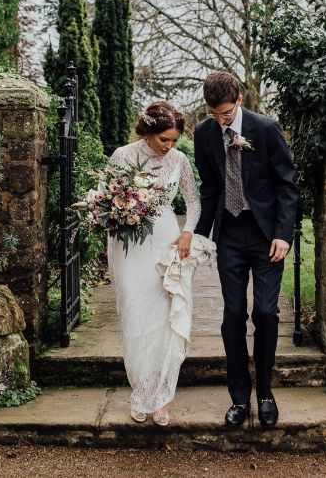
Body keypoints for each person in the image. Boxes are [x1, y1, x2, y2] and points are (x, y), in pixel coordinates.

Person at [193, 71, 298, 428]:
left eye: (225, 114)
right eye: (214, 114)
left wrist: (284, 234)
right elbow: (209, 190)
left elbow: (287, 184)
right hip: (230, 235)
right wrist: (200, 237)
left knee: (266, 314)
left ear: (239, 99)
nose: (220, 121)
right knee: (233, 316)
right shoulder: (203, 134)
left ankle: (265, 392)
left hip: (267, 235)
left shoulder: (266, 128)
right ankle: (239, 397)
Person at [107, 101, 200, 427]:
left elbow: (194, 203)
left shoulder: (180, 161)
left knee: (163, 321)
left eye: (174, 140)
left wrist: (188, 232)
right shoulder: (122, 156)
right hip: (129, 245)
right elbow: (108, 199)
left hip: (165, 242)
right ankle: (140, 392)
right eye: (165, 140)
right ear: (148, 132)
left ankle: (159, 399)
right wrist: (118, 212)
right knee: (135, 316)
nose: (170, 146)